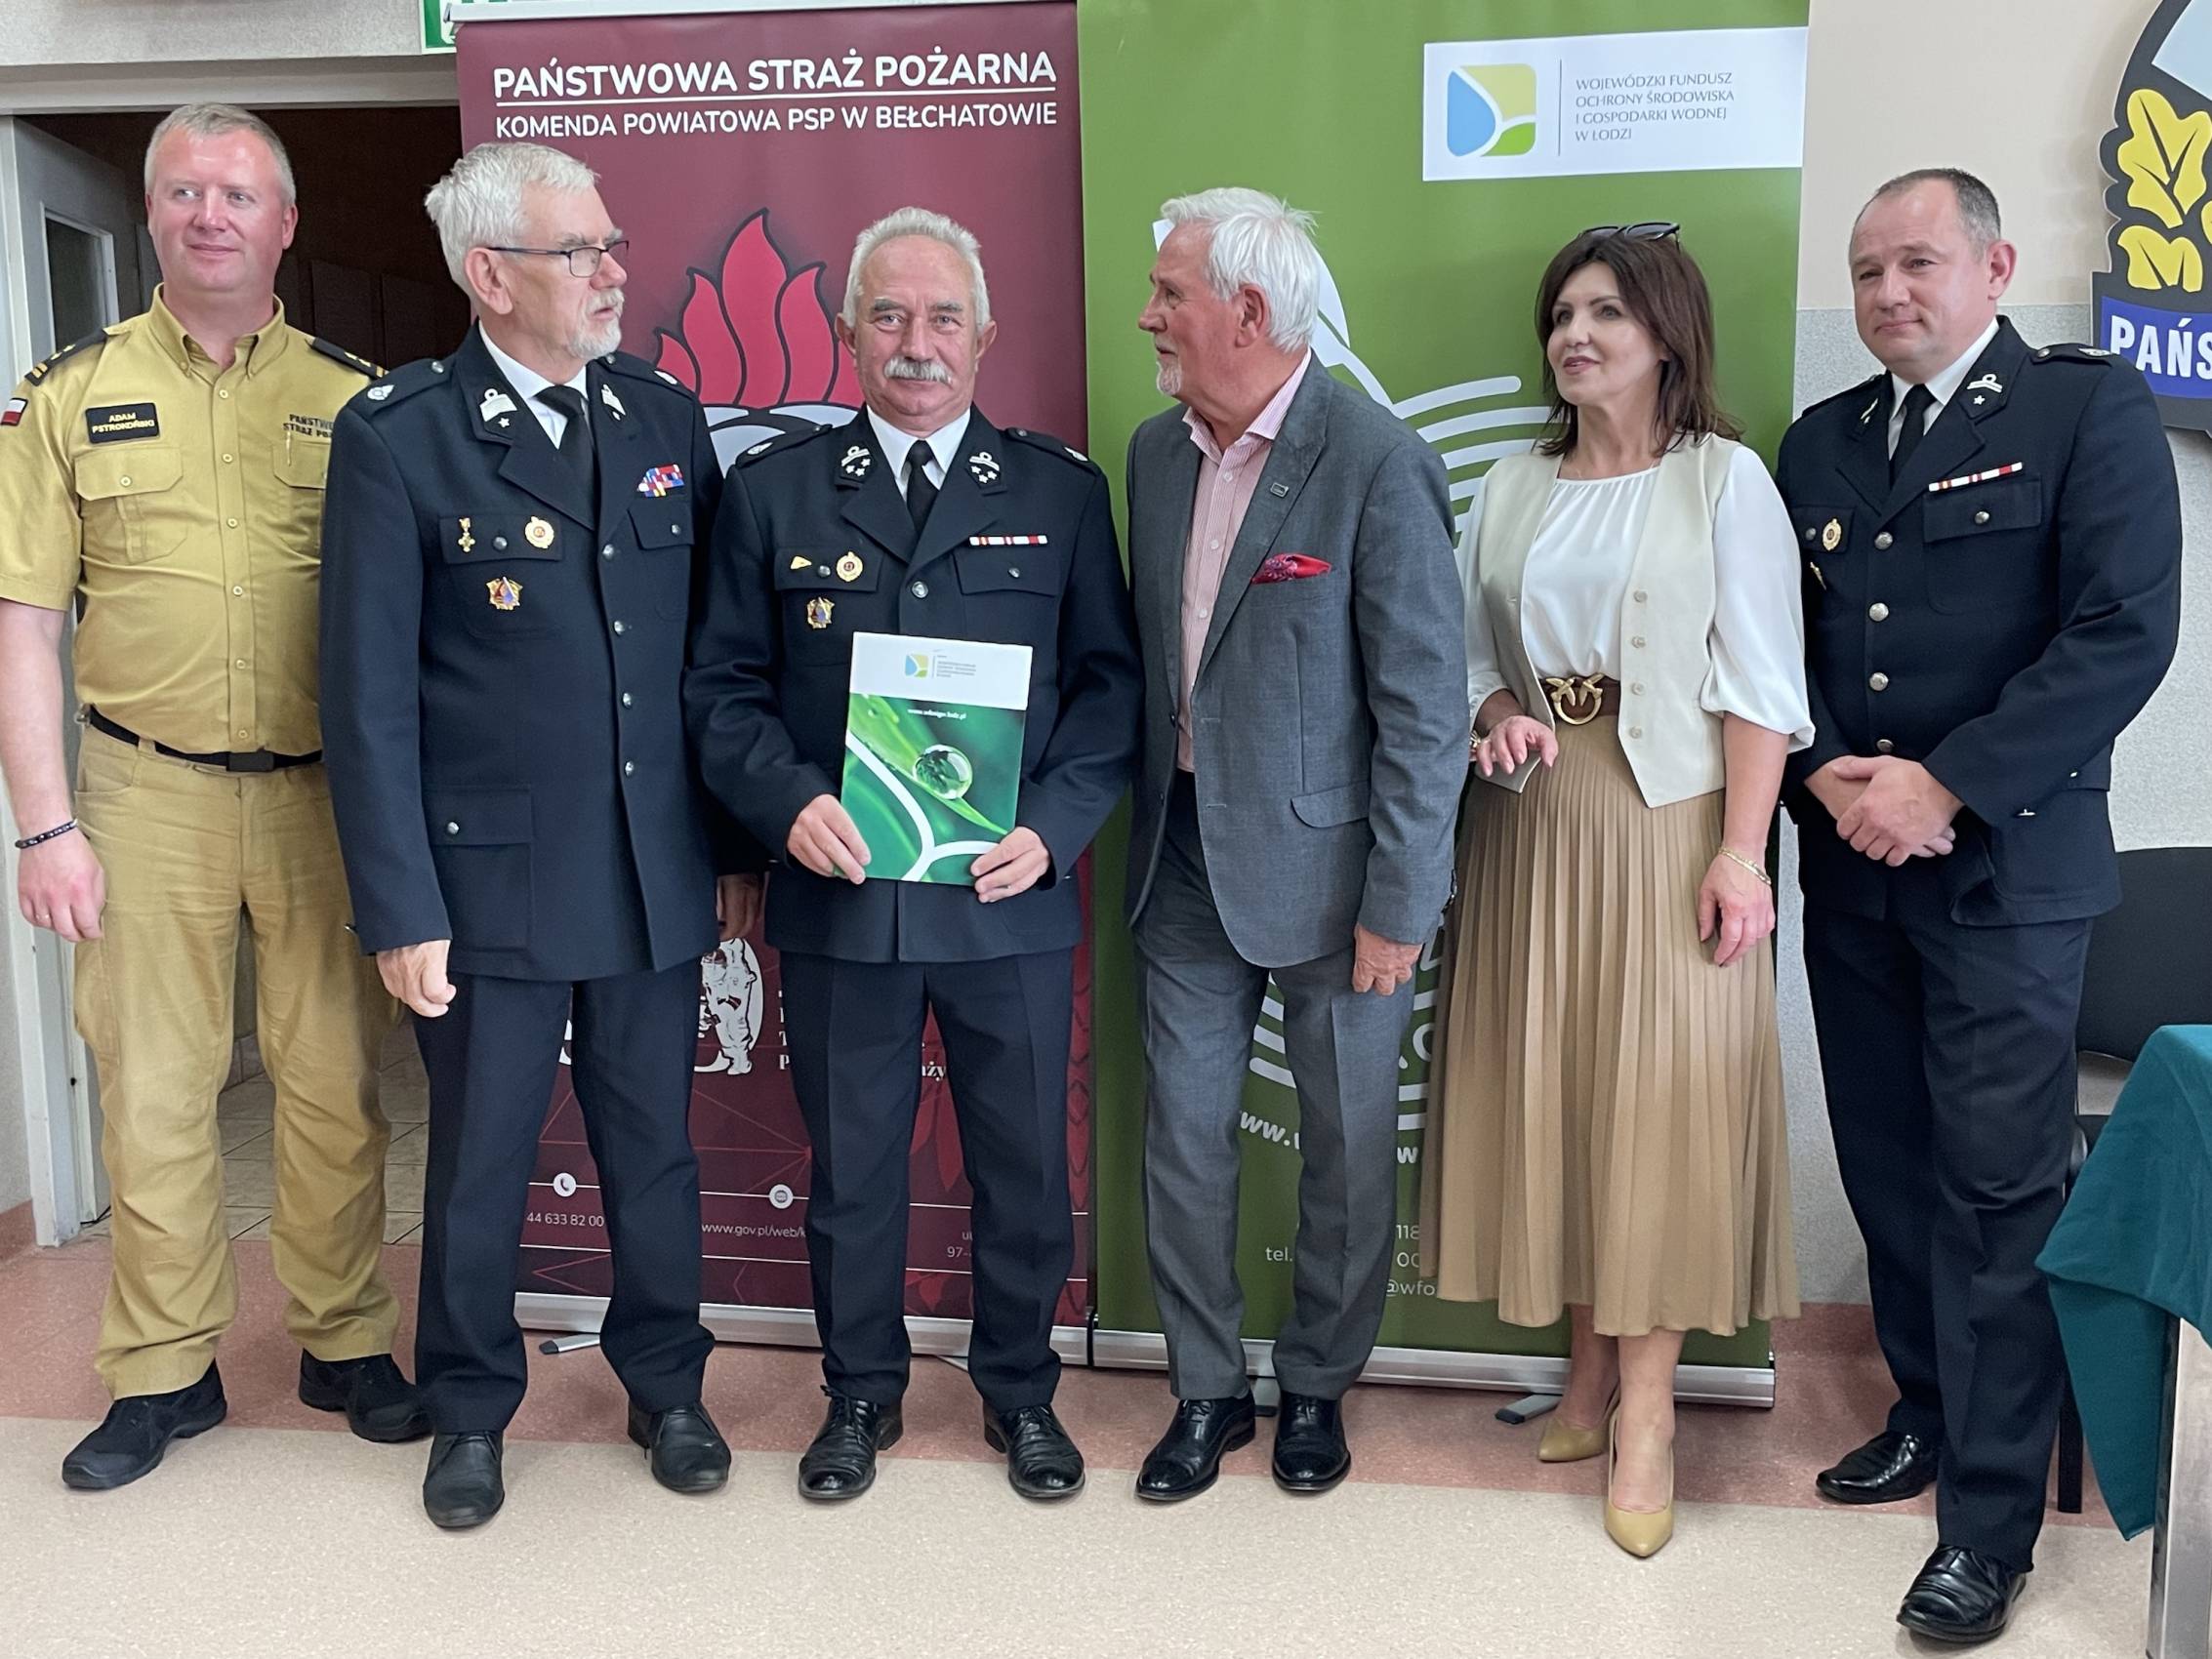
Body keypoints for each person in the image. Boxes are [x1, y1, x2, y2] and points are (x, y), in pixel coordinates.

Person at [319, 142, 761, 1529]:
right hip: (486, 883)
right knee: (480, 1161)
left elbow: (706, 666)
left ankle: (666, 1385)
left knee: (655, 1151)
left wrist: (729, 847)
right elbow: (368, 699)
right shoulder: (401, 434)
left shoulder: (660, 417)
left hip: (648, 867)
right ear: (490, 274)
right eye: (581, 252)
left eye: (609, 243)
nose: (614, 271)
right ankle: (467, 1408)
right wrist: (400, 906)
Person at [0, 102, 426, 1491]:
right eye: (183, 190)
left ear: (285, 224)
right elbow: (24, 629)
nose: (210, 214)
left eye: (239, 193)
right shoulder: (68, 396)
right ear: (151, 215)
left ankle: (343, 1339)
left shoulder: (361, 400)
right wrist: (45, 826)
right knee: (155, 1094)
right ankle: (162, 1370)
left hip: (325, 797)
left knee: (336, 1084)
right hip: (143, 792)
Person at [1780, 168, 2181, 1641]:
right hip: (1851, 870)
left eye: (1917, 263)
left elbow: (2121, 634)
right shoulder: (1820, 442)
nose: (1888, 293)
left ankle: (1990, 1519)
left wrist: (1943, 785)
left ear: (1994, 268)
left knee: (1998, 1190)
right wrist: (1822, 775)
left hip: (2007, 876)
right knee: (1888, 1165)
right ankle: (1930, 1411)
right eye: (1865, 271)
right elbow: (1781, 648)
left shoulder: (2085, 411)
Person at [686, 207, 1140, 1503]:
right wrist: (785, 804)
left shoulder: (1059, 493)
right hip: (845, 896)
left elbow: (1109, 691)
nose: (917, 342)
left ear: (985, 336)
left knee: (1024, 1169)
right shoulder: (773, 491)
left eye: (944, 317)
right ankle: (859, 1394)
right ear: (848, 333)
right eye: (888, 315)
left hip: (1006, 894)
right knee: (854, 1172)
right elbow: (721, 690)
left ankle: (1021, 1392)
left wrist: (1051, 827)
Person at [1419, 224, 1808, 1558]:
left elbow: (1760, 685)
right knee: (1565, 1097)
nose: (1574, 336)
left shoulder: (1724, 480)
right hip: (1532, 824)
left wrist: (1741, 854)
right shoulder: (1510, 484)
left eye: (1606, 313)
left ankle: (1650, 1414)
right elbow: (1465, 654)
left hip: (1673, 824)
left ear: (1665, 336)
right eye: (1561, 315)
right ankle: (1583, 1377)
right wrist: (1492, 716)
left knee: (1659, 1111)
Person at [1123, 187, 1467, 1503]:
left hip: (1336, 884)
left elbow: (1423, 712)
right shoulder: (1155, 457)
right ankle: (1206, 1391)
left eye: (1170, 293)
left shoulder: (1375, 459)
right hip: (1181, 863)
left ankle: (1318, 1383)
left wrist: (1401, 905)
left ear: (1248, 310)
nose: (1148, 317)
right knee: (1184, 1142)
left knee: (1346, 1149)